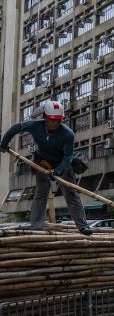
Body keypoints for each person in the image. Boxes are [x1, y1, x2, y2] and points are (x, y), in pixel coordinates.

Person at [0, 100, 92, 235]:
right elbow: (16, 128)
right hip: (43, 162)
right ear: (45, 118)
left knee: (71, 194)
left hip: (63, 165)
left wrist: (57, 171)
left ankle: (83, 226)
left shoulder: (68, 134)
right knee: (40, 194)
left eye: (58, 120)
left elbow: (68, 157)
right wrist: (4, 143)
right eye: (52, 120)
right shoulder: (35, 126)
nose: (55, 123)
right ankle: (37, 227)